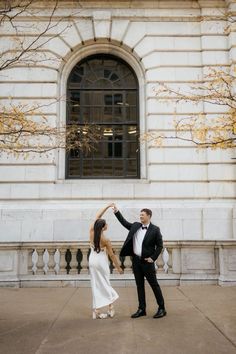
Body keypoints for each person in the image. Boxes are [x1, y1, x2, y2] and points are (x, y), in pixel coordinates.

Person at [112, 204, 166, 319]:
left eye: (142, 215)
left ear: (149, 216)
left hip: (147, 262)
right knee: (139, 286)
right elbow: (124, 223)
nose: (140, 216)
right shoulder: (136, 226)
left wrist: (153, 258)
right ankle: (142, 309)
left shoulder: (155, 230)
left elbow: (160, 246)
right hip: (136, 261)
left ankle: (162, 308)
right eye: (140, 214)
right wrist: (116, 211)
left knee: (154, 285)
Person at [89, 203, 123, 319]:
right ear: (103, 227)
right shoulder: (106, 240)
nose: (107, 225)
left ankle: (96, 310)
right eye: (106, 224)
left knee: (96, 284)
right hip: (101, 262)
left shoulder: (91, 231)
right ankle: (110, 308)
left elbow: (98, 215)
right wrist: (118, 267)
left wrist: (108, 206)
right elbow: (112, 256)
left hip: (92, 260)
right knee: (105, 283)